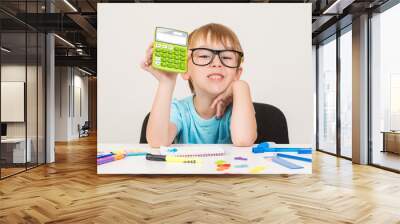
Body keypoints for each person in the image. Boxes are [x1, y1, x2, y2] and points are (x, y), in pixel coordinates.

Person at [140, 23, 257, 147]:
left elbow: (243, 140)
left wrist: (241, 86)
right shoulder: (179, 111)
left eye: (226, 57)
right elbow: (158, 142)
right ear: (185, 70)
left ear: (237, 73)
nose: (217, 63)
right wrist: (166, 82)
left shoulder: (240, 108)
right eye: (204, 56)